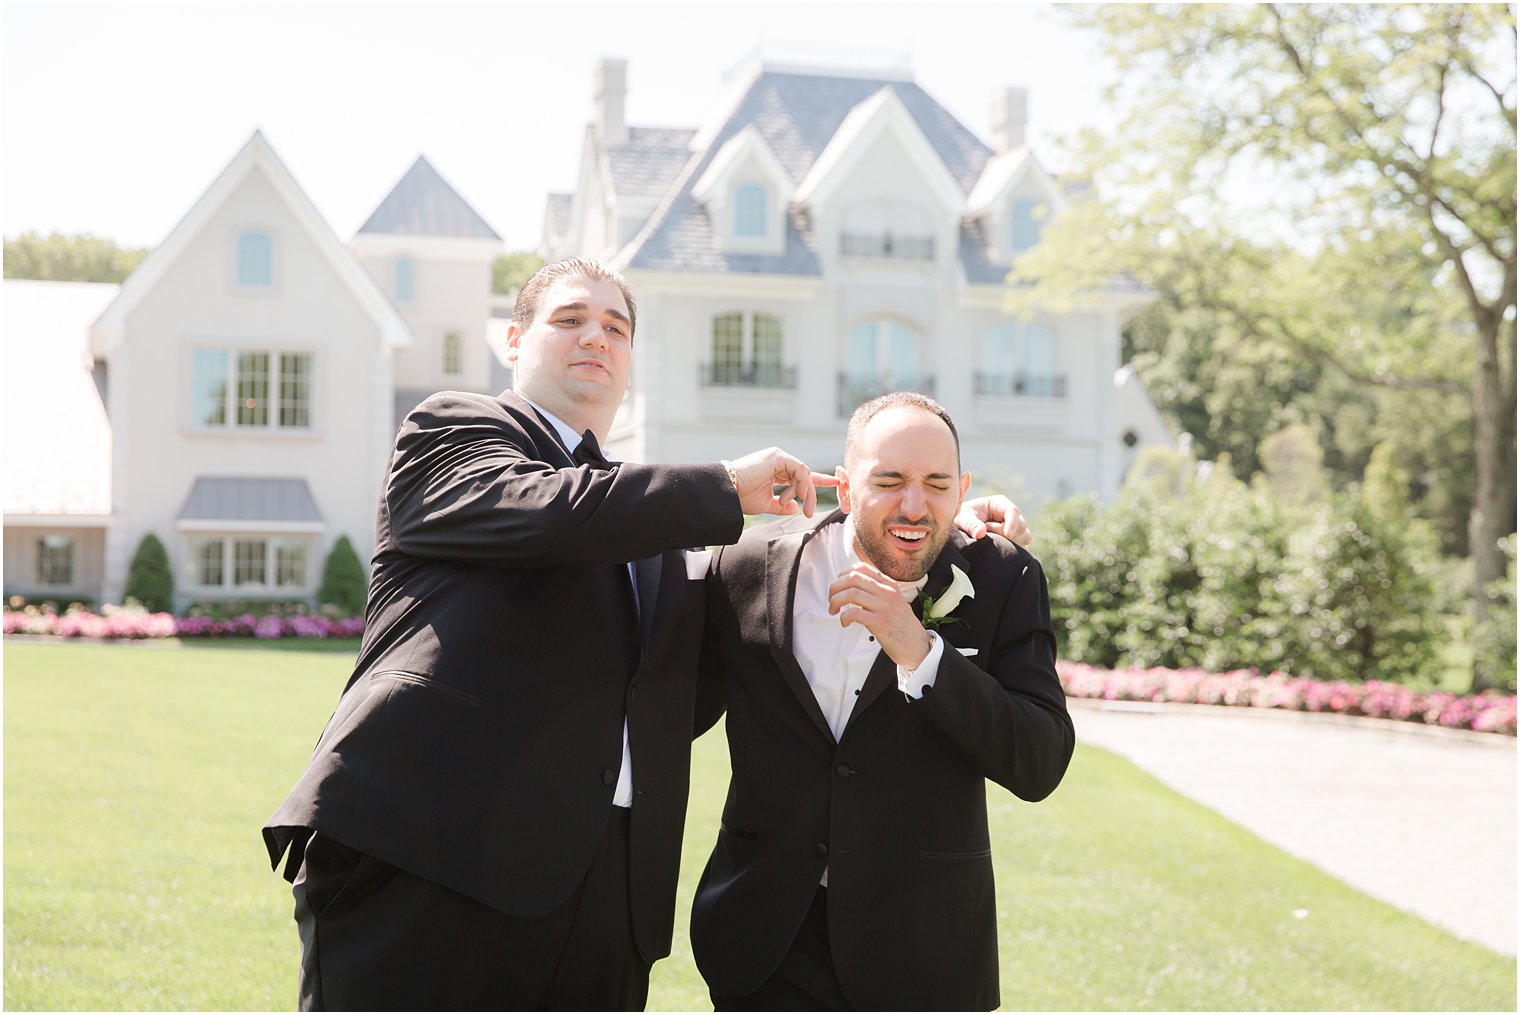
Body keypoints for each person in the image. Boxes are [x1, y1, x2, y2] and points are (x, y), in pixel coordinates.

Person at [262, 258, 1026, 1010]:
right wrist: (723, 487)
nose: (596, 336)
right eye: (569, 319)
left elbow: (701, 674)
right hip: (429, 864)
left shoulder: (655, 535)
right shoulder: (453, 434)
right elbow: (547, 511)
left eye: (617, 327)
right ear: (514, 340)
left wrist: (926, 521)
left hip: (601, 902)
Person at [690, 391, 1075, 1011]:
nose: (914, 504)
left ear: (962, 488)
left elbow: (1039, 761)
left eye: (936, 484)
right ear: (844, 489)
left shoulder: (1006, 576)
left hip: (924, 951)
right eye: (889, 480)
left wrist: (921, 652)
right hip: (765, 941)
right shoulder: (746, 567)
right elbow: (672, 711)